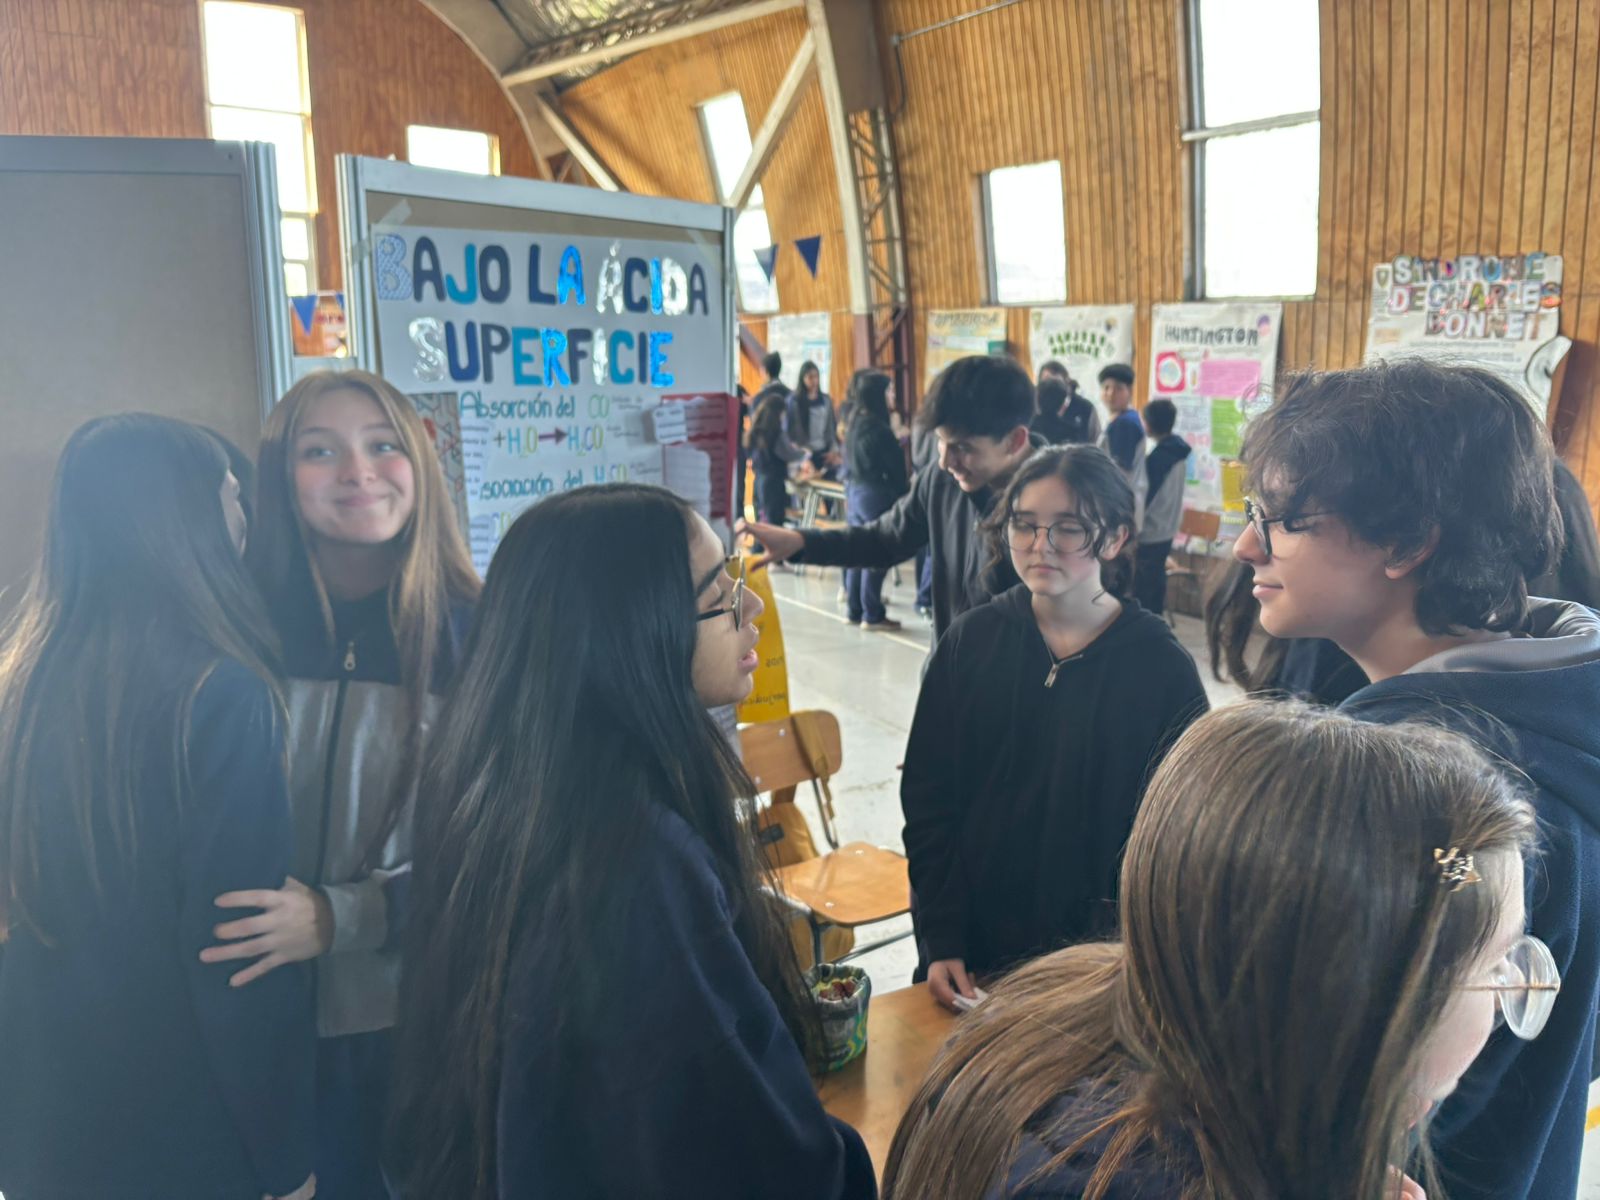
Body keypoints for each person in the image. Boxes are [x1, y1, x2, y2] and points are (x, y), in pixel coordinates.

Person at [386, 484, 877, 1200]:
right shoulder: (637, 859)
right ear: (630, 632)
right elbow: (749, 1147)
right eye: (719, 595)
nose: (752, 610)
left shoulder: (500, 786)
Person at [884, 701, 1547, 1200]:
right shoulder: (1117, 1179)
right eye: (1495, 965)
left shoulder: (1096, 995)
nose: (1509, 995)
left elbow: (1454, 873)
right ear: (1351, 1000)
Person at [1234, 359, 1600, 1200]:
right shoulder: (1567, 699)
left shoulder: (1417, 784)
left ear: (1406, 541)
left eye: (1282, 521)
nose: (1248, 546)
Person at [0, 415, 315, 1200]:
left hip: (44, 1129)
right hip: (188, 1134)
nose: (246, 518)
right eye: (233, 496)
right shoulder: (221, 695)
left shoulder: (21, 688)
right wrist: (285, 1159)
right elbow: (236, 950)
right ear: (190, 521)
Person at [200, 369, 480, 1199]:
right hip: (259, 1022)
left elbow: (510, 849)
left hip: (419, 1025)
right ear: (278, 476)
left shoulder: (481, 632)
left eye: (382, 445)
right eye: (320, 451)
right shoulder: (236, 628)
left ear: (419, 464)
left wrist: (342, 915)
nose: (358, 472)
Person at [902, 446, 1207, 1011]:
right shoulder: (970, 641)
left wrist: (1129, 955)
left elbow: (1179, 837)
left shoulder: (1161, 669)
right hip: (973, 954)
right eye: (1024, 525)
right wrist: (940, 936)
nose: (1040, 546)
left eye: (1068, 529)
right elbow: (928, 801)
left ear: (1114, 539)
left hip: (1098, 969)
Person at [743, 354, 1041, 642]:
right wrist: (801, 542)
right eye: (941, 442)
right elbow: (885, 539)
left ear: (1014, 441)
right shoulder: (941, 481)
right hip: (948, 668)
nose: (945, 461)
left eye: (963, 447)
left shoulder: (1054, 505)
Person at [843, 371, 910, 630]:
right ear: (877, 395)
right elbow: (896, 470)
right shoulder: (879, 430)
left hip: (855, 492)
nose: (893, 395)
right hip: (875, 495)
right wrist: (904, 493)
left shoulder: (855, 422)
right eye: (889, 391)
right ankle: (872, 613)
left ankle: (855, 609)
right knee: (877, 552)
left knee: (858, 551)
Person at [1132, 398, 1189, 616]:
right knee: (1155, 583)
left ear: (1148, 423)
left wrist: (1132, 528)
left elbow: (1144, 498)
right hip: (1166, 529)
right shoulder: (1178, 452)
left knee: (1144, 590)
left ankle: (1146, 626)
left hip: (1150, 531)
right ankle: (1155, 622)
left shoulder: (1158, 458)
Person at [1096, 363, 1147, 531]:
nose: (1111, 393)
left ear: (1129, 391)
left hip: (1120, 506)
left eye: (1118, 388)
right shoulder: (1126, 418)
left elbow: (1120, 471)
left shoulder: (1124, 424)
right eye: (1106, 387)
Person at [747, 388, 807, 530]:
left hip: (759, 481)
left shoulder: (755, 431)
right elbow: (789, 454)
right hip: (774, 483)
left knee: (762, 521)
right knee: (774, 525)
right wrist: (804, 453)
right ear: (779, 413)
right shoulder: (776, 433)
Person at [786, 359, 842, 477]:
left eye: (816, 376)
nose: (814, 381)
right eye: (810, 377)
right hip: (804, 454)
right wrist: (800, 457)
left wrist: (834, 450)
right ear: (803, 379)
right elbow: (789, 433)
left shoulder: (825, 400)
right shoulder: (794, 401)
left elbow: (831, 428)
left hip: (823, 451)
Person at [1037, 360, 1101, 444]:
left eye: (1055, 381)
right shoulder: (1034, 407)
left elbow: (1095, 440)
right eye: (1047, 380)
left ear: (1066, 381)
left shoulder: (1086, 408)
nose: (1051, 385)